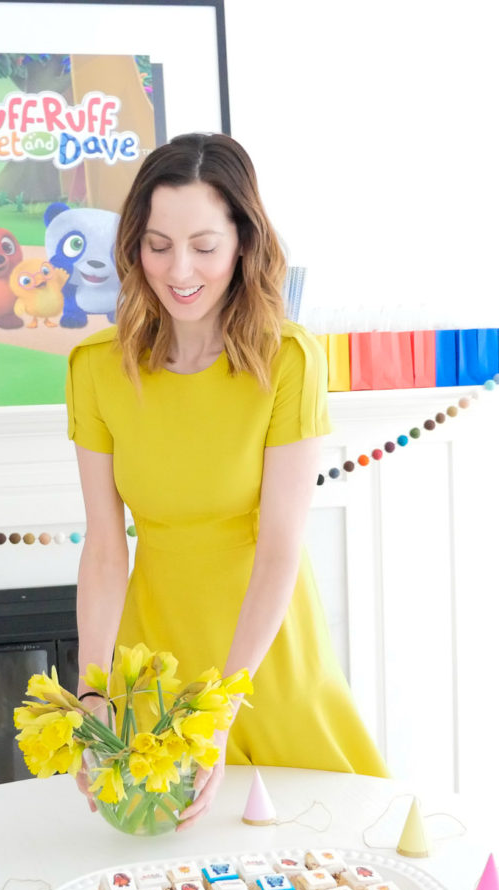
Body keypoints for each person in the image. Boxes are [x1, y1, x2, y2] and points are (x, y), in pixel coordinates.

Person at [65, 133, 388, 830]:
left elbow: (279, 550)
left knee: (319, 866)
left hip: (264, 663)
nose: (179, 269)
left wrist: (218, 710)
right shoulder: (94, 369)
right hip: (154, 661)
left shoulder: (288, 359)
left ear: (243, 241)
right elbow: (103, 547)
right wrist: (93, 695)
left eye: (204, 246)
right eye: (157, 244)